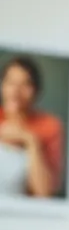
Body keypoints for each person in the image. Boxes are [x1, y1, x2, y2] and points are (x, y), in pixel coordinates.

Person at [0, 56, 65, 199]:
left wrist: (30, 140)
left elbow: (44, 194)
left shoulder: (49, 125)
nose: (15, 92)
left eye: (25, 84)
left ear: (36, 91)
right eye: (10, 82)